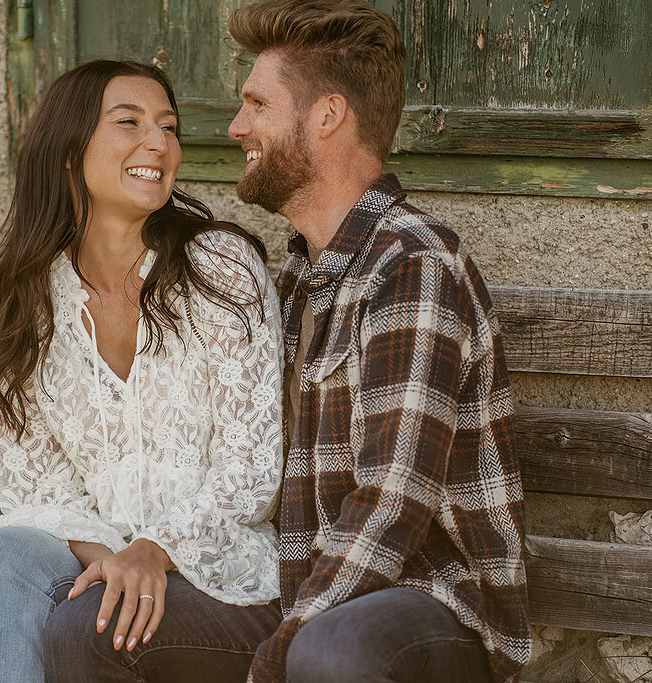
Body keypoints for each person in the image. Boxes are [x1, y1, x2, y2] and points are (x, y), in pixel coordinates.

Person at [0, 59, 285, 683]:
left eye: (168, 126)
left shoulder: (219, 270)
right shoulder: (18, 287)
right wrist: (109, 559)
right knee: (1, 553)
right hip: (93, 563)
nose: (159, 142)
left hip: (216, 574)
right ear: (67, 150)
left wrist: (152, 550)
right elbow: (34, 490)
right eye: (128, 122)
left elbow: (251, 473)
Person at [226, 1, 532, 681]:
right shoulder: (296, 278)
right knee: (97, 626)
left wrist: (276, 651)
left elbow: (392, 502)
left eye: (255, 105)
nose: (235, 126)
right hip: (303, 591)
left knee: (329, 650)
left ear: (326, 115)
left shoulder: (411, 262)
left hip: (424, 608)